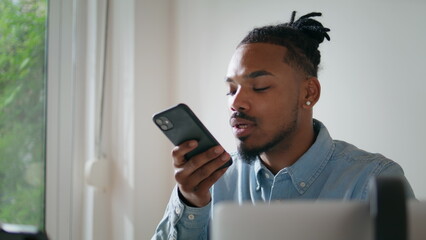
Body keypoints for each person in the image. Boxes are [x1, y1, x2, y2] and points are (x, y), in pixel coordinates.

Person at [152, 11, 415, 240]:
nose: (237, 102)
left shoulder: (374, 181)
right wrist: (191, 202)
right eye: (231, 89)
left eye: (260, 87)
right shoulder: (213, 182)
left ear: (308, 93)